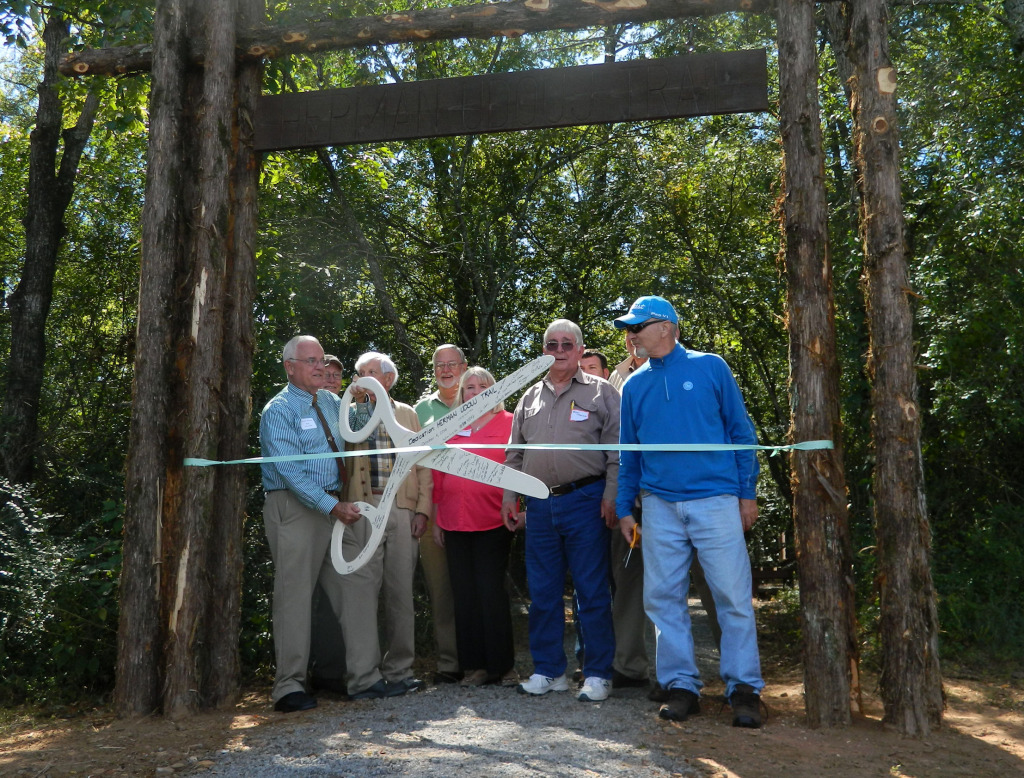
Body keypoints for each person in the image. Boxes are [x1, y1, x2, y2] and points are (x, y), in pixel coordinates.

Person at [614, 295, 764, 728]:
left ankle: (744, 690)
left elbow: (741, 431)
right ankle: (681, 687)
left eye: (638, 326)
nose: (631, 335)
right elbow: (629, 455)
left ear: (666, 327)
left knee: (732, 597)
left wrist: (746, 493)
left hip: (716, 500)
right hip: (659, 505)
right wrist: (626, 508)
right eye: (629, 327)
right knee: (663, 599)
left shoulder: (711, 366)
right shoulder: (634, 386)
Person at [502, 319, 620, 703]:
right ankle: (550, 670)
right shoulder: (528, 397)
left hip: (587, 500)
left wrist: (612, 495)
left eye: (567, 344)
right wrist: (509, 498)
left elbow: (619, 451)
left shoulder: (602, 393)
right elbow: (514, 454)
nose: (558, 350)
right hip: (538, 505)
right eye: (551, 343)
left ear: (580, 349)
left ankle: (598, 673)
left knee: (591, 591)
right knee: (543, 593)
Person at [259, 335, 363, 713]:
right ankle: (288, 688)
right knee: (295, 596)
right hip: (296, 508)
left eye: (322, 360)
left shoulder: (333, 401)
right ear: (290, 367)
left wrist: (374, 394)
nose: (320, 367)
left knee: (349, 588)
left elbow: (361, 429)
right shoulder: (279, 410)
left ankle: (349, 676)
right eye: (310, 361)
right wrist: (331, 506)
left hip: (334, 503)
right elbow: (290, 472)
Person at [338, 352, 432, 700]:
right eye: (360, 372)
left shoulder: (408, 413)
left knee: (400, 593)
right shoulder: (352, 413)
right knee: (362, 594)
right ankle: (364, 677)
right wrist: (361, 403)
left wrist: (422, 509)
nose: (364, 378)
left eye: (372, 372)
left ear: (388, 379)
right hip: (364, 509)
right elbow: (352, 438)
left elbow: (423, 462)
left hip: (402, 508)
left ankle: (400, 673)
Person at [431, 367, 517, 686]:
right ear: (462, 394)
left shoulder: (509, 423)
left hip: (493, 519)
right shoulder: (450, 426)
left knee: (491, 592)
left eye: (484, 386)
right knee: (464, 595)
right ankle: (476, 667)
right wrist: (437, 515)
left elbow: (518, 466)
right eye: (470, 387)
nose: (476, 391)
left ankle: (503, 667)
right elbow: (437, 474)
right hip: (454, 521)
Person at [413, 344, 467, 684]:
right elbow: (415, 465)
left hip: (475, 511)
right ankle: (450, 663)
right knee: (441, 589)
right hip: (433, 509)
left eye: (452, 364)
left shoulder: (480, 401)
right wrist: (422, 509)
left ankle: (482, 659)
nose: (446, 370)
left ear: (464, 367)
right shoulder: (420, 410)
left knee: (475, 586)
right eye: (439, 365)